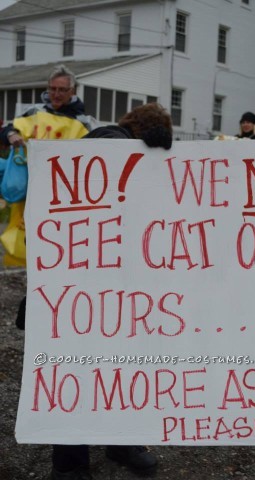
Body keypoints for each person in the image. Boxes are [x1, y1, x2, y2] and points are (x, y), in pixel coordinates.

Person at [16, 102, 172, 480]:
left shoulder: (109, 145)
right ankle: (71, 464)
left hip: (115, 288)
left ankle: (118, 443)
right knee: (77, 371)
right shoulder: (110, 145)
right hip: (82, 291)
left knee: (119, 370)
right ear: (145, 139)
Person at [0, 64, 98, 266]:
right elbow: (7, 129)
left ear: (72, 91)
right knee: (27, 235)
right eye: (52, 88)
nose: (56, 94)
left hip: (65, 194)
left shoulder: (84, 122)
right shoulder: (34, 112)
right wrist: (11, 134)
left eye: (62, 89)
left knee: (59, 240)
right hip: (30, 190)